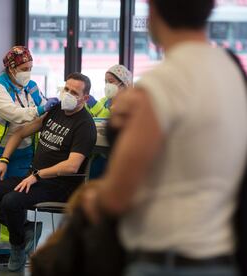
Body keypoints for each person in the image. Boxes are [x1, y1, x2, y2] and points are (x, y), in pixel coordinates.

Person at [81, 0, 247, 276]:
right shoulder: (231, 71)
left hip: (166, 260)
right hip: (220, 256)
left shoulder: (163, 83)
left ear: (154, 11)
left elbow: (117, 197)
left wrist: (93, 199)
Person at [0, 72, 97, 271]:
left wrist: (37, 175)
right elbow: (20, 132)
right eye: (66, 88)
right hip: (34, 177)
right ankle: (25, 230)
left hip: (61, 185)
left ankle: (17, 248)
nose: (68, 94)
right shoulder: (56, 110)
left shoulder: (85, 125)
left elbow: (72, 166)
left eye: (74, 92)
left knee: (11, 201)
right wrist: (4, 160)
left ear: (85, 98)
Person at [0, 45, 59, 265]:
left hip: (23, 153)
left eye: (31, 67)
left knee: (13, 200)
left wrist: (52, 107)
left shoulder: (32, 87)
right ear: (11, 68)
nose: (28, 72)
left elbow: (42, 110)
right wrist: (41, 109)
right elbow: (15, 114)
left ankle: (9, 247)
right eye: (24, 68)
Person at [87, 65, 133, 179]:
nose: (107, 84)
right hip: (100, 153)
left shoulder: (129, 104)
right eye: (105, 81)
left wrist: (95, 106)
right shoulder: (104, 101)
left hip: (118, 155)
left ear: (123, 84)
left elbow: (110, 121)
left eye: (111, 81)